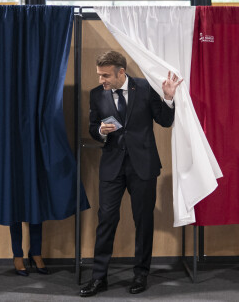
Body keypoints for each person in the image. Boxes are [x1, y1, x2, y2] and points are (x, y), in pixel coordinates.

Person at [80, 50, 181, 297]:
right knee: (106, 221)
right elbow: (94, 127)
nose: (101, 80)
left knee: (143, 221)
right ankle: (99, 277)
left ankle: (141, 274)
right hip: (112, 166)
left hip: (143, 166)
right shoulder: (96, 94)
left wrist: (168, 98)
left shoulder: (146, 88)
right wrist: (101, 131)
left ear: (121, 72)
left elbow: (165, 121)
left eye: (105, 75)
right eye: (99, 75)